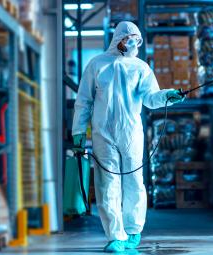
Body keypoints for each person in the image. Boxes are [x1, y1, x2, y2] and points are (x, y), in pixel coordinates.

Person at [72, 21, 185, 253]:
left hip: (131, 133)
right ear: (118, 39)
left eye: (136, 38)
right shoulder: (97, 65)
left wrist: (167, 96)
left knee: (134, 183)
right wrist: (78, 132)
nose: (132, 42)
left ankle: (133, 231)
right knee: (107, 184)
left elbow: (151, 98)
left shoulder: (141, 68)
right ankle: (115, 236)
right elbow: (84, 101)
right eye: (128, 38)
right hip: (103, 134)